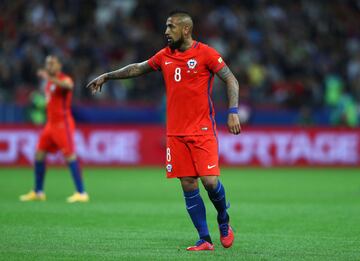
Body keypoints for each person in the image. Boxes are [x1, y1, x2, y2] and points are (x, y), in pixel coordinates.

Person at [86, 10, 241, 251]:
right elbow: (137, 68)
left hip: (202, 130)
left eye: (171, 27)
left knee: (210, 182)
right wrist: (107, 76)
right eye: (166, 27)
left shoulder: (206, 53)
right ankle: (204, 239)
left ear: (186, 29)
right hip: (176, 133)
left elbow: (231, 79)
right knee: (188, 185)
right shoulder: (164, 56)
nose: (166, 32)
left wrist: (233, 111)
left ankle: (223, 219)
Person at [20, 55, 89, 203]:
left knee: (70, 156)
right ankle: (38, 192)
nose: (49, 66)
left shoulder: (64, 79)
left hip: (63, 124)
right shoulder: (48, 83)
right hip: (50, 125)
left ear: (59, 65)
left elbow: (69, 86)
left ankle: (81, 193)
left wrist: (50, 79)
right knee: (39, 155)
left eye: (52, 63)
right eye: (47, 64)